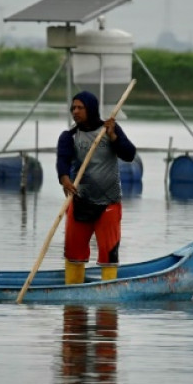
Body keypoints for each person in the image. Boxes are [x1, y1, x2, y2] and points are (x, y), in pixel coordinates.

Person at [56, 91, 136, 284]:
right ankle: (73, 294)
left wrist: (114, 136)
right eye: (73, 108)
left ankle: (108, 295)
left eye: (80, 108)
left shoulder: (109, 129)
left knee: (109, 254)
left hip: (108, 203)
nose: (75, 111)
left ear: (90, 109)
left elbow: (129, 154)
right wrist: (64, 179)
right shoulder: (69, 136)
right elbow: (63, 161)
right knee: (73, 253)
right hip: (80, 201)